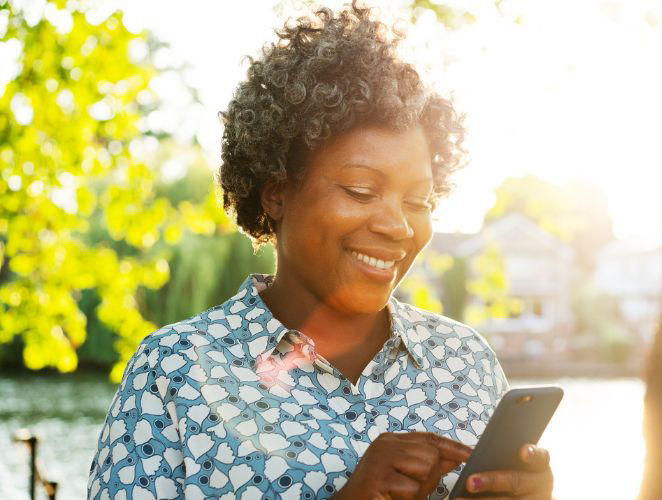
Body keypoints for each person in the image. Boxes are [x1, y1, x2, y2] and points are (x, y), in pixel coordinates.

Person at [87, 4, 554, 499]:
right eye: (359, 190)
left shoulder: (465, 361)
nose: (397, 225)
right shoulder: (176, 372)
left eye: (418, 201)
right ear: (277, 193)